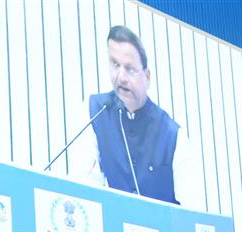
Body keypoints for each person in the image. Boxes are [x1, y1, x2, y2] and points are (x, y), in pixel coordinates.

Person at [70, 25, 202, 210]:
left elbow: (192, 210)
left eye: (130, 69)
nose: (121, 77)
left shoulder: (173, 136)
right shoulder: (94, 112)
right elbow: (84, 190)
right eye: (115, 65)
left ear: (147, 77)